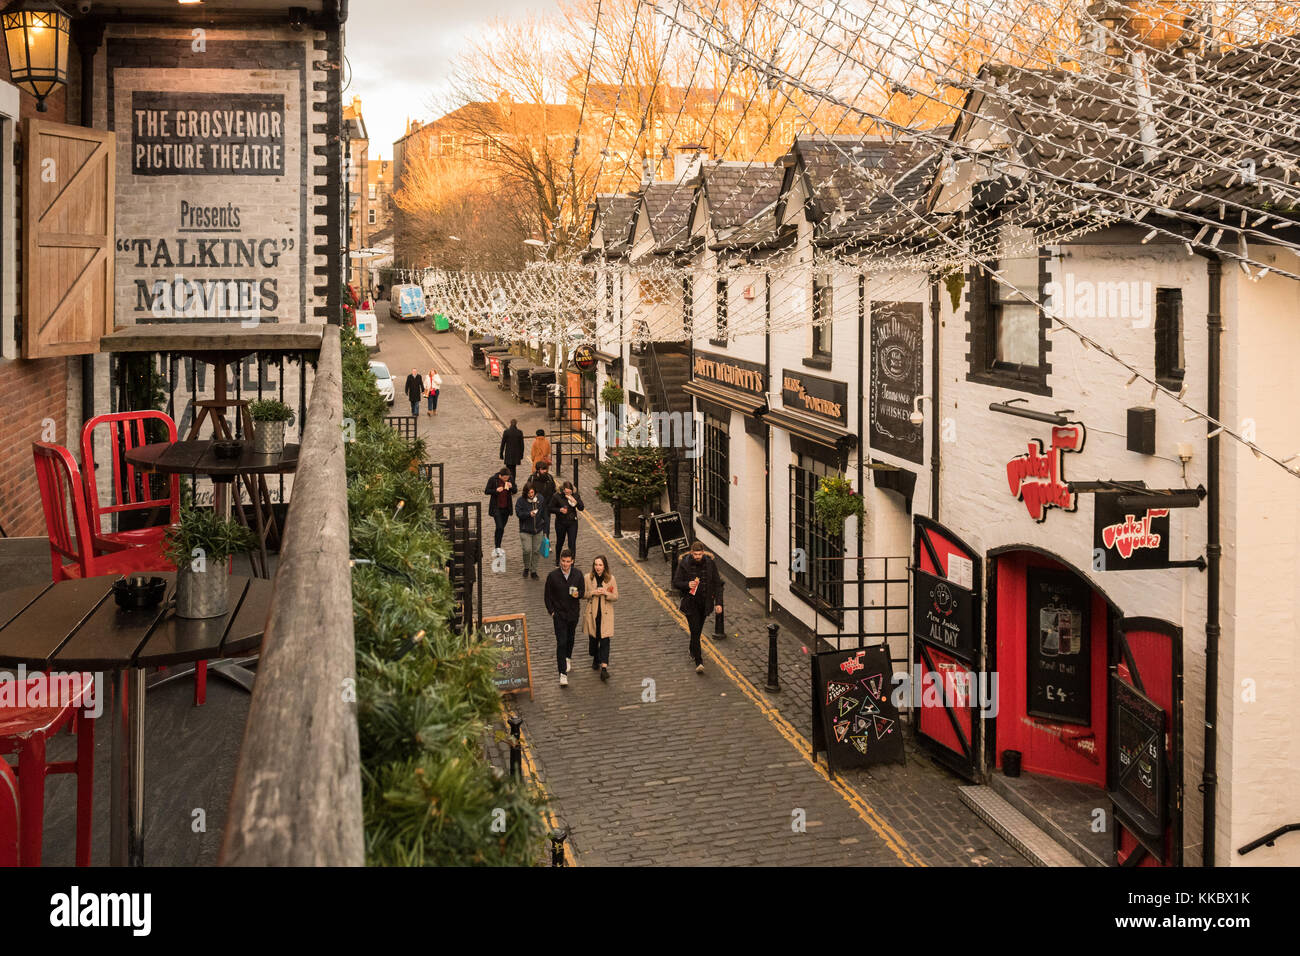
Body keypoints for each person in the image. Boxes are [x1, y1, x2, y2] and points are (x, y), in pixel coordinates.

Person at [672, 540, 724, 674]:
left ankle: (692, 648)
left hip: (705, 603)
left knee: (697, 631)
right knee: (695, 630)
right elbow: (676, 582)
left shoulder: (710, 563)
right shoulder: (684, 564)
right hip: (690, 604)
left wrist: (718, 603)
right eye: (695, 554)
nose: (697, 557)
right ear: (691, 553)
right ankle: (699, 661)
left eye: (700, 554)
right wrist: (687, 585)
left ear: (703, 553)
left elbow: (717, 584)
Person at [543, 549, 585, 687]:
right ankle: (562, 673)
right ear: (560, 560)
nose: (565, 564)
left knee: (570, 638)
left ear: (572, 561)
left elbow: (582, 592)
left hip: (573, 614)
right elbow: (547, 596)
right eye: (563, 561)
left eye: (568, 562)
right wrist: (552, 612)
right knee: (561, 642)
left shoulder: (578, 574)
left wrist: (577, 594)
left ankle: (568, 658)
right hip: (559, 615)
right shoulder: (552, 576)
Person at [583, 555, 618, 681]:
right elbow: (583, 594)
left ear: (604, 566)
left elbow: (615, 596)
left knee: (605, 641)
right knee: (593, 642)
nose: (598, 567)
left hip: (605, 615)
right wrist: (593, 593)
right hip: (592, 615)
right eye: (596, 564)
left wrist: (605, 593)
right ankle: (595, 656)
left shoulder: (611, 579)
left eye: (600, 565)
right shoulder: (588, 578)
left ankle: (604, 669)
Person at [548, 480, 585, 564]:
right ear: (563, 490)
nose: (568, 493)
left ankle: (572, 562)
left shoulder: (575, 495)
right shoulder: (557, 496)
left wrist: (575, 502)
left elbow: (581, 508)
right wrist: (559, 510)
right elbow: (550, 508)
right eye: (566, 492)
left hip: (572, 523)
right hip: (561, 523)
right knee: (560, 542)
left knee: (572, 543)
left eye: (570, 491)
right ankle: (557, 559)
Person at [515, 481, 545, 580]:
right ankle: (527, 567)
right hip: (525, 530)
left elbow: (544, 514)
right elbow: (519, 514)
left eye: (532, 492)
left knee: (536, 551)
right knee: (527, 550)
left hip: (538, 529)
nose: (531, 495)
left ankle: (533, 571)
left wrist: (545, 528)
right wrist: (529, 514)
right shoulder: (520, 501)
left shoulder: (540, 498)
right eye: (529, 493)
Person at [483, 466, 515, 551]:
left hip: (506, 508)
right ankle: (497, 546)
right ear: (500, 476)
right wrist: (496, 490)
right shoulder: (493, 480)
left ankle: (498, 543)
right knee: (500, 527)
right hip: (496, 508)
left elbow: (515, 490)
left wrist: (511, 487)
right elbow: (486, 491)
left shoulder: (510, 479)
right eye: (505, 478)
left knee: (501, 528)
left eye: (507, 478)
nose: (506, 480)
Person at [529, 460, 557, 540]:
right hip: (535, 506)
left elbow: (553, 490)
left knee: (546, 524)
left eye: (546, 469)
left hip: (546, 505)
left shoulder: (549, 478)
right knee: (536, 524)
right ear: (538, 470)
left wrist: (551, 503)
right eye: (543, 469)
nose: (545, 471)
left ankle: (546, 542)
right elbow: (527, 491)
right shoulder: (532, 479)